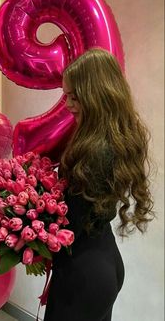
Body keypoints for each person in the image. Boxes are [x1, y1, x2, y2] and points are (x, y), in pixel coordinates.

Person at [44, 48, 154, 321]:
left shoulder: (96, 151)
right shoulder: (111, 139)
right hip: (103, 261)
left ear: (96, 95)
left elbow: (69, 226)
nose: (68, 104)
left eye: (74, 96)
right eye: (66, 95)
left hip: (83, 275)